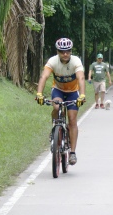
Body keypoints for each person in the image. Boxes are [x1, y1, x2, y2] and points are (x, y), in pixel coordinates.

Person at [35, 38, 86, 166]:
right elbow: (44, 76)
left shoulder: (76, 61)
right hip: (58, 90)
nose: (65, 54)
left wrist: (82, 95)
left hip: (73, 92)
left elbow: (81, 78)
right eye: (62, 51)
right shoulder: (53, 61)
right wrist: (39, 93)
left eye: (68, 51)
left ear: (71, 51)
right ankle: (55, 128)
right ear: (57, 51)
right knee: (57, 107)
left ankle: (72, 153)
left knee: (72, 119)